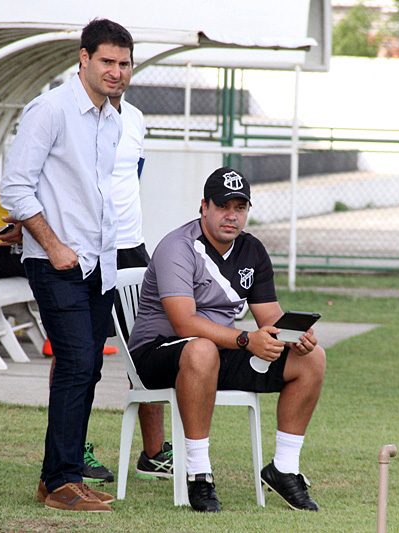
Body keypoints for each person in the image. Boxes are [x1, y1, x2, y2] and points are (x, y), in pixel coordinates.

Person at [127, 167, 327, 513]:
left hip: (219, 352)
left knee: (312, 358)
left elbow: (270, 320)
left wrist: (296, 338)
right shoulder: (178, 246)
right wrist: (249, 340)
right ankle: (199, 474)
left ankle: (284, 468)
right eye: (222, 206)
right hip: (155, 354)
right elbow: (184, 322)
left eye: (240, 207)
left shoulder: (252, 250)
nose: (231, 216)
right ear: (203, 206)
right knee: (201, 348)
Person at [0, 19, 133, 513]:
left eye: (123, 63)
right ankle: (61, 483)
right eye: (107, 61)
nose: (116, 71)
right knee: (76, 363)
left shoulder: (112, 117)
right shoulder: (50, 109)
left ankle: (61, 476)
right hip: (57, 261)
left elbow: (90, 192)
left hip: (100, 263)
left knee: (89, 368)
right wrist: (52, 244)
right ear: (83, 58)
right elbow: (15, 186)